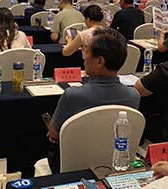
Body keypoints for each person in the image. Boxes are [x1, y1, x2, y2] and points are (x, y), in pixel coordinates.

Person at [47, 28, 140, 172]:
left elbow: (54, 133)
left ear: (99, 61)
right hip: (115, 166)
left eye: (86, 52)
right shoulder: (134, 96)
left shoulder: (72, 95)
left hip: (71, 168)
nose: (84, 57)